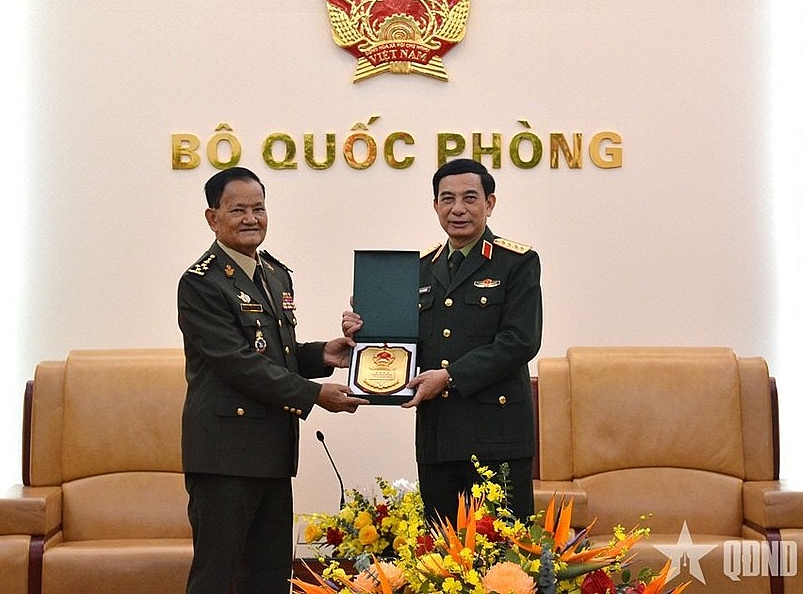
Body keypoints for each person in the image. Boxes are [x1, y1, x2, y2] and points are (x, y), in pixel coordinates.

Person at [178, 166, 368, 594]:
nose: (251, 219)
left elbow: (275, 354)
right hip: (224, 457)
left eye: (259, 208)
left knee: (270, 577)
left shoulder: (275, 273)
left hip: (272, 453)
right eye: (238, 209)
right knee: (218, 577)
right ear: (213, 217)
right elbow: (237, 363)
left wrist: (322, 354)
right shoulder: (200, 283)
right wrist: (315, 394)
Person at [343, 159, 542, 523]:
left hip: (497, 438)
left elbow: (520, 341)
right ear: (435, 205)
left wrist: (449, 377)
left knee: (505, 563)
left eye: (470, 197)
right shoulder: (420, 269)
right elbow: (402, 341)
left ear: (490, 203)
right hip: (438, 438)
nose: (458, 209)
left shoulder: (516, 262)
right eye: (447, 199)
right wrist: (365, 332)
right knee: (440, 561)